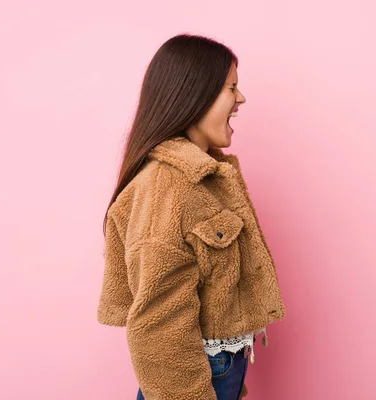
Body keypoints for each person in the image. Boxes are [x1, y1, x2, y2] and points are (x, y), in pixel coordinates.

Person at [96, 34, 286, 400]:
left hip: (215, 371)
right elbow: (158, 325)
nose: (240, 99)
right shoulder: (170, 185)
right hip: (194, 382)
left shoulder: (201, 176)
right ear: (195, 93)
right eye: (231, 88)